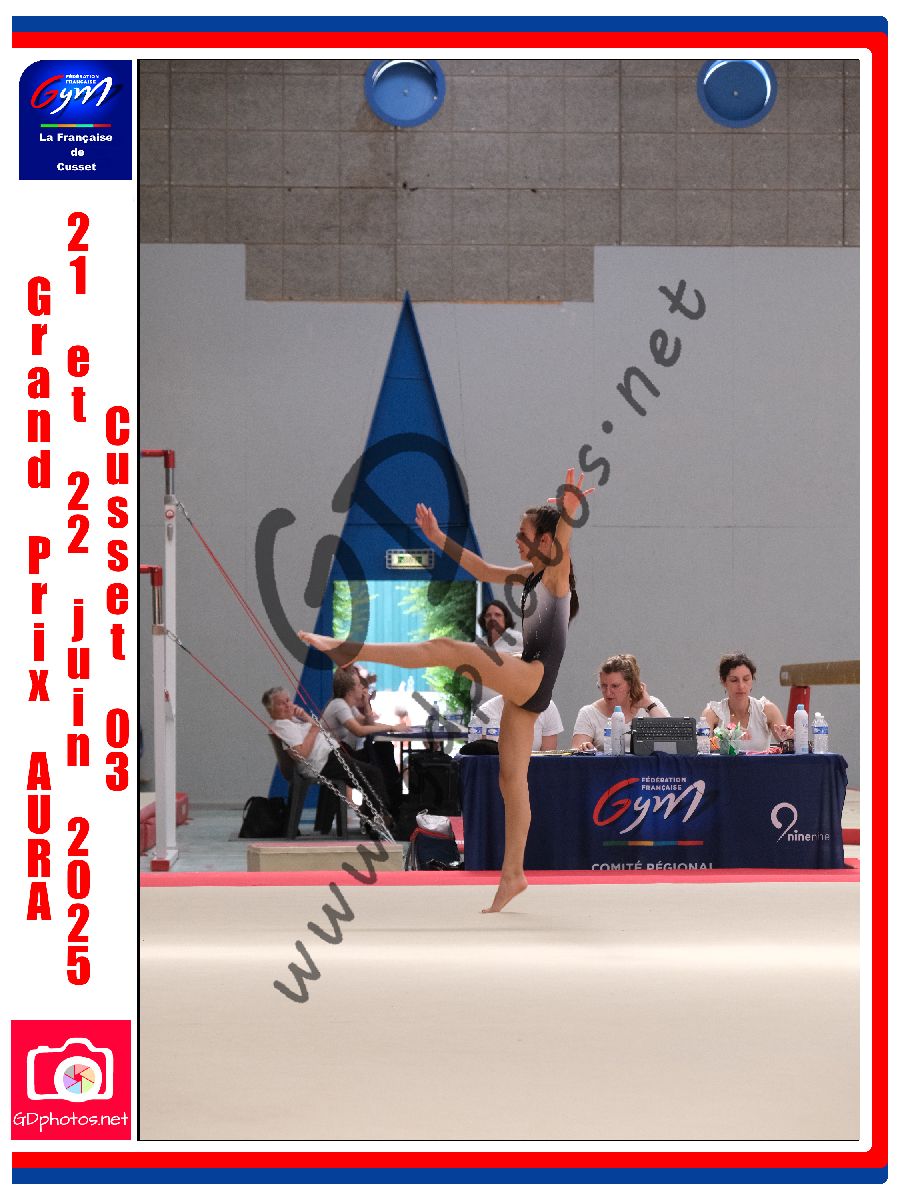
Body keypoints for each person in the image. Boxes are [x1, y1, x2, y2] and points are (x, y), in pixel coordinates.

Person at [299, 466, 592, 913]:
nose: (517, 539)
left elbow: (564, 543)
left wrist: (568, 512)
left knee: (445, 648)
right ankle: (513, 875)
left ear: (546, 541)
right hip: (529, 686)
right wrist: (437, 538)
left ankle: (351, 650)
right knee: (511, 781)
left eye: (524, 534)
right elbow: (481, 568)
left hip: (531, 676)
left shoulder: (555, 573)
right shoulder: (529, 575)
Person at [262, 686, 391, 835]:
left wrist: (304, 716)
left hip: (329, 757)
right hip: (323, 762)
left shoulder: (291, 721)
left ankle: (374, 817)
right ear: (271, 710)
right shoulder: (283, 726)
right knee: (373, 774)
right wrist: (313, 730)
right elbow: (301, 753)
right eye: (281, 703)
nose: (287, 705)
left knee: (369, 774)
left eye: (288, 701)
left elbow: (318, 728)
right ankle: (380, 819)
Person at [322, 667, 404, 817]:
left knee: (382, 752)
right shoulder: (339, 705)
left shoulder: (348, 706)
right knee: (374, 773)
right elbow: (359, 730)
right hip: (329, 756)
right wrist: (392, 727)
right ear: (350, 690)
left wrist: (366, 704)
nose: (363, 687)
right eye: (359, 684)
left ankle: (387, 809)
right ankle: (382, 815)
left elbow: (369, 724)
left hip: (338, 752)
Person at [571, 653, 669, 749]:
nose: (608, 693)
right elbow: (577, 750)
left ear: (630, 685)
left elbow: (670, 739)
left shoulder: (651, 704)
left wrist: (649, 705)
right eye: (603, 686)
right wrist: (585, 748)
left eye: (615, 686)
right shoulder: (589, 713)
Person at [701, 652, 792, 752]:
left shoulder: (767, 710)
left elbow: (787, 743)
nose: (741, 686)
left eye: (746, 679)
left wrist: (789, 737)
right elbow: (701, 746)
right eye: (734, 680)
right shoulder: (712, 712)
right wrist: (727, 736)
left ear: (752, 680)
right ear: (723, 681)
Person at [471, 601, 524, 713]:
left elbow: (540, 655)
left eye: (497, 615)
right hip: (481, 711)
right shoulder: (479, 644)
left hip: (505, 711)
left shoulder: (515, 638)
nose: (492, 618)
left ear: (506, 619)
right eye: (488, 615)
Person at [476, 692, 564, 752]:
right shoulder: (485, 712)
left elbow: (547, 757)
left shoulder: (547, 706)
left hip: (535, 769)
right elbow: (482, 758)